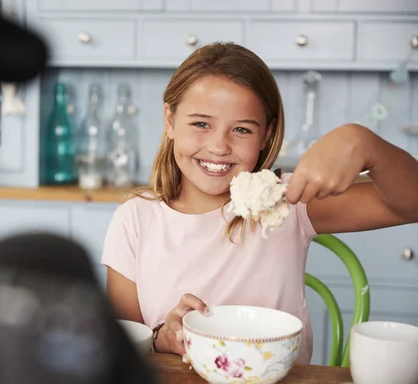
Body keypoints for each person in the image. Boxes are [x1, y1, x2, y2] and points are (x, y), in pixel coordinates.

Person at [100, 41, 418, 364]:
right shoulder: (135, 219)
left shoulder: (291, 201)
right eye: (201, 124)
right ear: (170, 120)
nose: (219, 146)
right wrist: (160, 338)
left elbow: (411, 204)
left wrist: (367, 145)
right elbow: (121, 352)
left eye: (241, 129)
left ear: (266, 135)